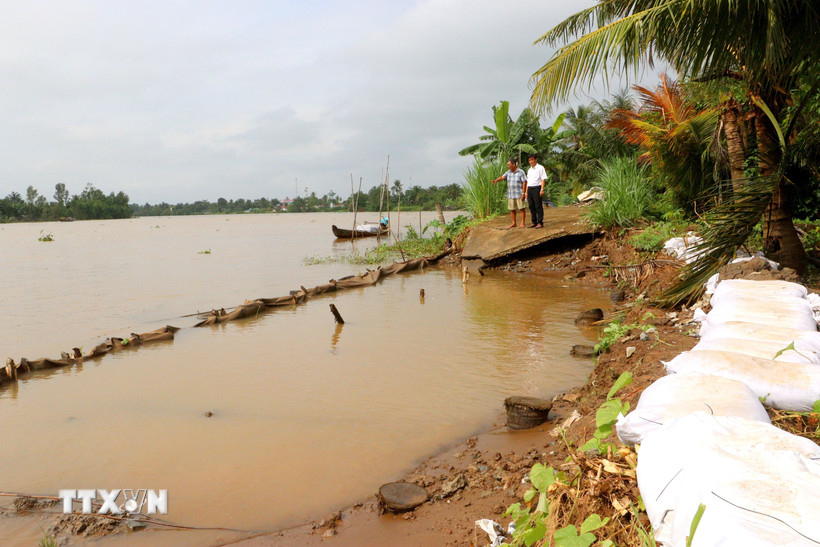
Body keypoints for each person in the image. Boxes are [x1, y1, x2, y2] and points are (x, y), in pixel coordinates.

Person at [492, 158, 527, 228]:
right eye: (507, 165)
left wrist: (523, 193)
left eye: (509, 165)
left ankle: (522, 223)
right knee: (512, 209)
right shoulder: (508, 172)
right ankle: (514, 223)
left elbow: (524, 182)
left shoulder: (521, 172)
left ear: (514, 164)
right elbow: (502, 177)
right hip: (511, 194)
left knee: (521, 208)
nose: (508, 166)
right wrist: (496, 180)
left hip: (519, 193)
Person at [525, 154, 548, 228]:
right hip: (530, 188)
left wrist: (542, 189)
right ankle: (534, 222)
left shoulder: (540, 168)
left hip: (537, 188)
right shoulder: (529, 170)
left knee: (538, 205)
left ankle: (540, 222)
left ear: (535, 159)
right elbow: (528, 181)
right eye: (529, 160)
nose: (531, 161)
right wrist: (526, 191)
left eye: (532, 159)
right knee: (531, 206)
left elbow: (543, 179)